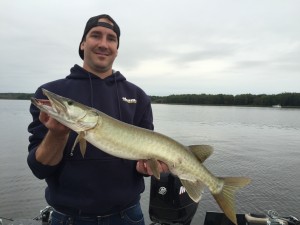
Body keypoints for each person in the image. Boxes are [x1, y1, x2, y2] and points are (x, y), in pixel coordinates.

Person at [27, 14, 168, 225]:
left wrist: (146, 168)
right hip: (69, 218)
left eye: (111, 38)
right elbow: (40, 169)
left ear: (117, 49)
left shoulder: (138, 96)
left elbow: (143, 164)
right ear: (83, 43)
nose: (103, 44)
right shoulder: (51, 92)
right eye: (95, 35)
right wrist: (57, 134)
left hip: (127, 216)